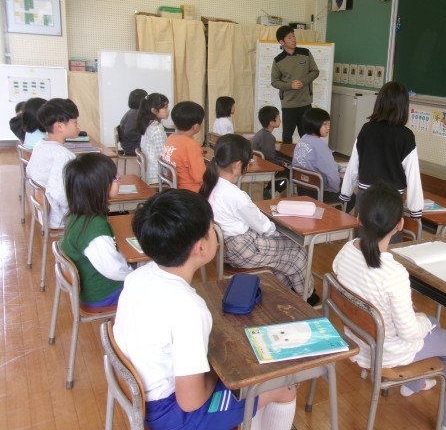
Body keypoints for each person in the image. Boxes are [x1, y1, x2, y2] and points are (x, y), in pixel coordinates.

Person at [114, 190, 297, 430]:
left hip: (144, 398)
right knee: (283, 384)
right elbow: (190, 401)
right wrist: (218, 373)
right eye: (212, 229)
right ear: (201, 248)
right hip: (175, 416)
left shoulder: (137, 276)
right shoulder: (188, 308)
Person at [332, 183, 446, 430]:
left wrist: (419, 319)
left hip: (359, 339)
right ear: (400, 224)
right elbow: (409, 333)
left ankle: (414, 384)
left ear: (358, 218)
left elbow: (351, 283)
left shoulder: (346, 251)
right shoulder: (393, 273)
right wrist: (420, 319)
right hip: (387, 351)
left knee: (432, 323)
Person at [199, 134, 317, 305]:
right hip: (242, 249)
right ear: (238, 165)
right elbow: (263, 227)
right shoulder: (236, 195)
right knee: (297, 249)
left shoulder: (211, 184)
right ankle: (307, 297)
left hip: (226, 249)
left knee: (283, 254)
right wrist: (277, 232)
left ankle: (287, 293)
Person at [340, 81, 423, 221]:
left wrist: (345, 193)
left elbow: (353, 164)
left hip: (366, 195)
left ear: (379, 102)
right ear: (404, 106)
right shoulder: (406, 136)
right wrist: (416, 209)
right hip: (391, 199)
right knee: (390, 234)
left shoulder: (367, 129)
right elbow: (413, 174)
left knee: (363, 232)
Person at [59, 153, 132, 305]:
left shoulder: (77, 215)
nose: (119, 180)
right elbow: (114, 270)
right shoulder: (94, 229)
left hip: (93, 285)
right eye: (115, 178)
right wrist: (135, 274)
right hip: (103, 293)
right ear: (99, 187)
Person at [25, 98, 80, 229]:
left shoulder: (40, 145)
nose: (78, 127)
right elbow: (63, 196)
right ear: (59, 126)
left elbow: (29, 172)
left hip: (43, 212)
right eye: (75, 122)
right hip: (60, 218)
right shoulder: (63, 155)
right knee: (102, 204)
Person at [292, 108, 355, 213]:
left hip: (302, 188)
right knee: (351, 197)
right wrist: (336, 188)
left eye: (328, 124)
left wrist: (337, 168)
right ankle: (331, 217)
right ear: (314, 124)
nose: (328, 128)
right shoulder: (320, 145)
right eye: (325, 124)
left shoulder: (303, 139)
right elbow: (332, 176)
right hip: (317, 191)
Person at [271, 25, 319, 144]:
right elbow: (274, 81)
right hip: (289, 105)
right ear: (282, 42)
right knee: (287, 136)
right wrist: (290, 85)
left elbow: (315, 71)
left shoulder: (305, 53)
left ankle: (306, 156)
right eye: (289, 37)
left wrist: (303, 81)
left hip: (305, 103)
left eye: (293, 36)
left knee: (306, 136)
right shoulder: (278, 60)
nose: (293, 39)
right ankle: (286, 156)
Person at [161, 101, 206, 192]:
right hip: (191, 192)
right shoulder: (191, 145)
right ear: (196, 126)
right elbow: (200, 178)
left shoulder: (171, 138)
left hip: (174, 188)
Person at [252, 105, 287, 198]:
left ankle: (268, 189)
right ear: (271, 123)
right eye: (278, 118)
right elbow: (270, 159)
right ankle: (271, 191)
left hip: (256, 164)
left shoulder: (261, 133)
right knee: (287, 172)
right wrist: (282, 162)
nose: (280, 120)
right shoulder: (269, 137)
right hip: (262, 166)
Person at [137, 93, 169, 184]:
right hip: (157, 175)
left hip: (150, 172)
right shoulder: (156, 128)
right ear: (154, 111)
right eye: (165, 108)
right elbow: (162, 156)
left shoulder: (149, 124)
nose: (168, 110)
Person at [118, 88, 147, 155]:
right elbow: (129, 132)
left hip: (132, 144)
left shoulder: (134, 112)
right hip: (132, 147)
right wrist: (143, 136)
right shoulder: (134, 114)